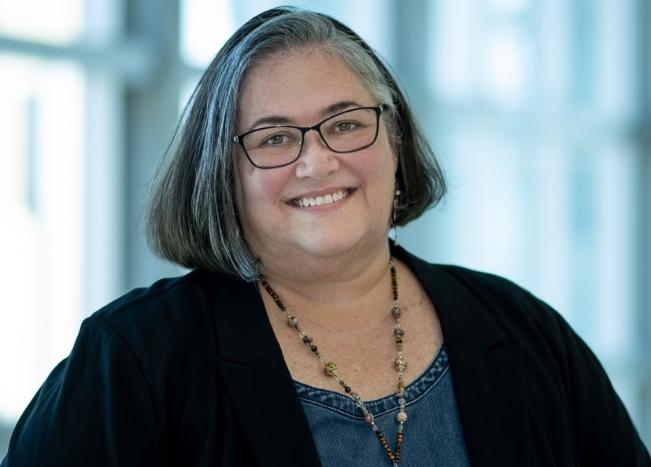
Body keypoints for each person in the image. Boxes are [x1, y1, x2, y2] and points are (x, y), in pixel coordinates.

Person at [2, 6, 649, 467]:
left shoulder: (525, 331)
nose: (316, 162)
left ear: (394, 140)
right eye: (274, 138)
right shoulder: (134, 358)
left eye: (343, 124)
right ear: (221, 175)